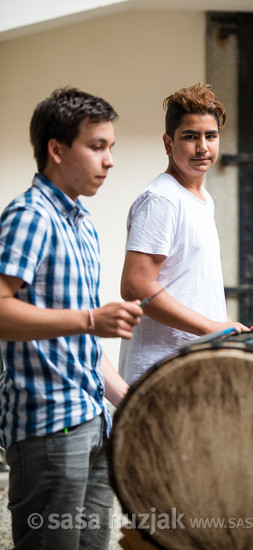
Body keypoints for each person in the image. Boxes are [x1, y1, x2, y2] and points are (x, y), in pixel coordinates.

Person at [0, 87, 142, 550]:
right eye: (97, 146)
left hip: (93, 420)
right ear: (56, 150)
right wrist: (88, 320)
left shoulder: (82, 224)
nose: (109, 160)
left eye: (111, 148)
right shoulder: (30, 215)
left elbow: (82, 344)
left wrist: (129, 399)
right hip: (48, 426)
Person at [119, 83, 247, 385]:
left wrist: (226, 325)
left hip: (192, 364)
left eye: (211, 136)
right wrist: (208, 327)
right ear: (168, 143)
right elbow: (135, 286)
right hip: (159, 370)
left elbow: (189, 282)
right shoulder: (162, 199)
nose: (203, 147)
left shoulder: (202, 198)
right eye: (190, 137)